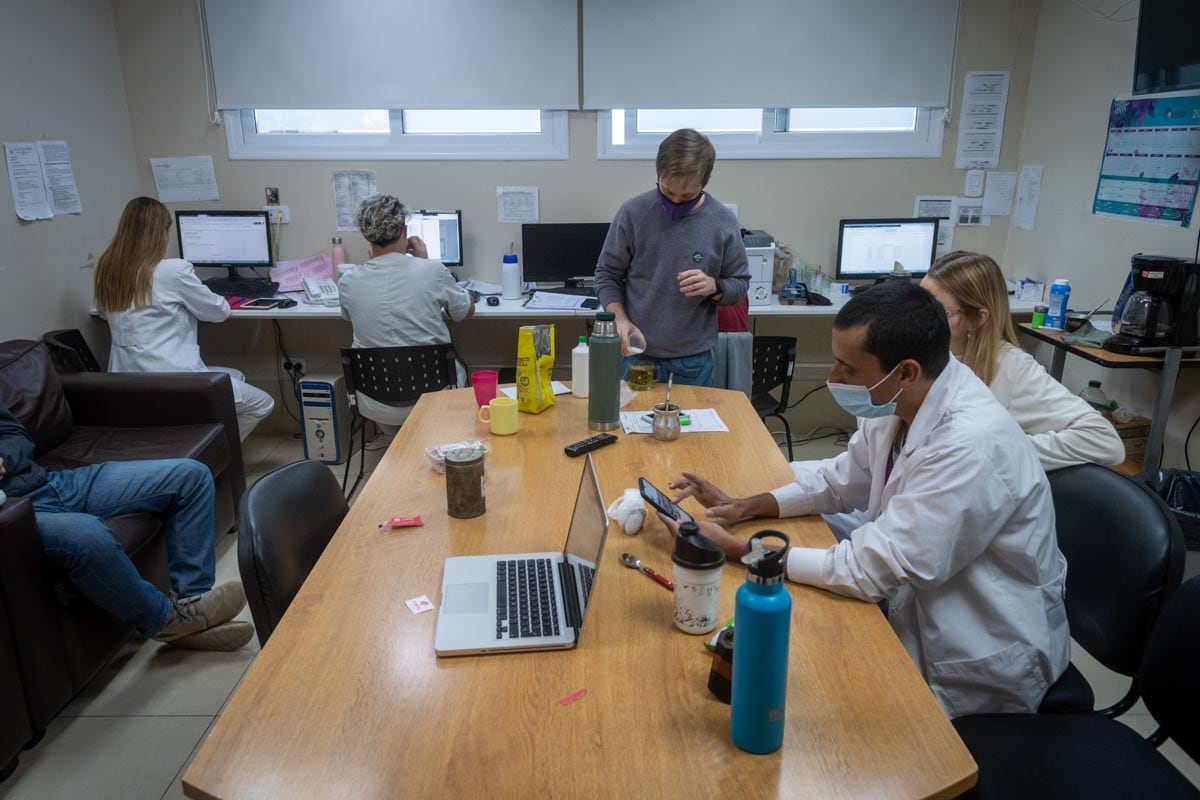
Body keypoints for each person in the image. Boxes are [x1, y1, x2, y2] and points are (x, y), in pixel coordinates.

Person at [662, 282, 1069, 718]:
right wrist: (747, 505)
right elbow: (841, 482)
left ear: (906, 372)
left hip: (979, 654)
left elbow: (871, 570)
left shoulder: (970, 445)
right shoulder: (904, 398)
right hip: (915, 612)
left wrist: (744, 550)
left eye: (848, 369)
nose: (832, 379)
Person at [0, 403, 252, 651]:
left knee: (191, 477)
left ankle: (192, 603)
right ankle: (169, 620)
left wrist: (4, 457)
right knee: (86, 534)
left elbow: (14, 434)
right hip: (12, 514)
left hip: (48, 483)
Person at [922, 251, 1124, 470]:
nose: (918, 318)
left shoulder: (1011, 367)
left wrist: (997, 451)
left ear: (978, 318)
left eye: (937, 311)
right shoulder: (931, 353)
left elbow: (1104, 441)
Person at [94, 197, 274, 441]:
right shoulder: (172, 271)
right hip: (174, 382)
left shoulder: (108, 269)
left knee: (235, 375)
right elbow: (219, 312)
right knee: (262, 404)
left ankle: (193, 442)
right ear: (160, 233)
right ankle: (206, 458)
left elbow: (104, 313)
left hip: (127, 384)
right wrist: (192, 286)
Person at [594, 128, 750, 387]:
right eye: (667, 192)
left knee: (694, 428)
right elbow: (606, 275)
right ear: (658, 175)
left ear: (705, 180)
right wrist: (619, 319)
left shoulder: (722, 221)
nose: (676, 202)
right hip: (635, 354)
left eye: (687, 196)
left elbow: (740, 285)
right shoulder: (633, 213)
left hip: (694, 361)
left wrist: (715, 287)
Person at [339, 194, 474, 431]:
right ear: (404, 230)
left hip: (374, 399)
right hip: (433, 395)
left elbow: (350, 316)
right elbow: (464, 312)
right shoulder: (432, 271)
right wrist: (425, 262)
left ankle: (396, 446)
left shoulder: (348, 281)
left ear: (366, 235)